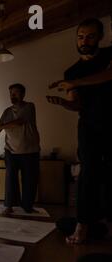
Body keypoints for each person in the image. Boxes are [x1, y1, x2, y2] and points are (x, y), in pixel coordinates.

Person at [47, 18, 112, 244]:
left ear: (100, 37)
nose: (84, 41)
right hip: (89, 126)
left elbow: (109, 74)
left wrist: (77, 84)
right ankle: (82, 225)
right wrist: (62, 102)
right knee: (88, 174)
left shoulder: (108, 56)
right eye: (80, 36)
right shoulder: (72, 71)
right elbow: (77, 105)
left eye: (90, 36)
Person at [0, 83, 41, 214]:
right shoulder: (7, 111)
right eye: (11, 93)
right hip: (10, 150)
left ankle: (27, 206)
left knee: (29, 180)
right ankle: (9, 205)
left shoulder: (29, 106)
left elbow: (18, 122)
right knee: (11, 178)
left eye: (15, 93)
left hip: (30, 151)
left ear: (23, 94)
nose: (13, 96)